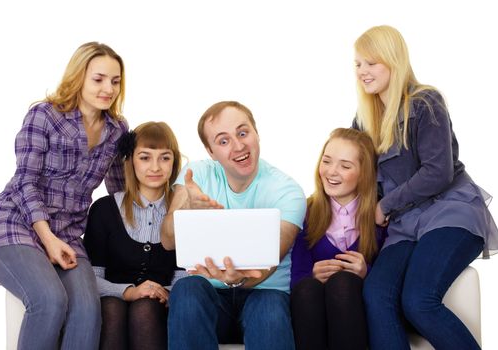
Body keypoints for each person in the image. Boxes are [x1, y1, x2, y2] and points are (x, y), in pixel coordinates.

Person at [352, 25, 498, 350]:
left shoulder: (425, 102)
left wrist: (384, 205)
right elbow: (353, 174)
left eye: (370, 63)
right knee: (376, 296)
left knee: (418, 300)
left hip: (449, 212)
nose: (362, 71)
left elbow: (437, 172)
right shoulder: (364, 120)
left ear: (392, 60)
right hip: (403, 227)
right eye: (358, 64)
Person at [0, 42, 128, 349]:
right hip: (17, 225)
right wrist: (47, 238)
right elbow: (25, 181)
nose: (109, 89)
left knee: (88, 311)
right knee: (49, 300)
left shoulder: (117, 130)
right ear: (79, 76)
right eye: (99, 79)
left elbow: (122, 193)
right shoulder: (44, 116)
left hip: (70, 235)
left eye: (115, 81)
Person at [160, 101, 306, 350]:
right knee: (186, 289)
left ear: (256, 133)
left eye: (243, 132)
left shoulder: (287, 191)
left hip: (265, 291)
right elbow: (167, 240)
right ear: (210, 151)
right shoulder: (197, 175)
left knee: (269, 312)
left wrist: (237, 280)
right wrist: (188, 210)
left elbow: (270, 263)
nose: (238, 146)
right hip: (209, 295)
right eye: (223, 140)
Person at [84, 121, 185, 350]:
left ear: (174, 162)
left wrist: (165, 294)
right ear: (130, 161)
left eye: (164, 157)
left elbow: (186, 276)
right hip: (113, 302)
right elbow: (90, 278)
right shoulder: (104, 210)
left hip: (159, 307)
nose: (155, 167)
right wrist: (129, 292)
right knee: (112, 308)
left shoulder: (182, 210)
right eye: (145, 157)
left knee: (145, 308)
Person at [290, 127, 384, 350]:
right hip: (312, 310)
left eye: (345, 166)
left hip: (359, 312)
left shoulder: (381, 216)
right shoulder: (305, 212)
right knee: (307, 288)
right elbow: (295, 278)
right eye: (327, 161)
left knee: (343, 283)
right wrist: (312, 274)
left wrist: (365, 272)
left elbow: (391, 283)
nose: (331, 172)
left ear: (364, 173)